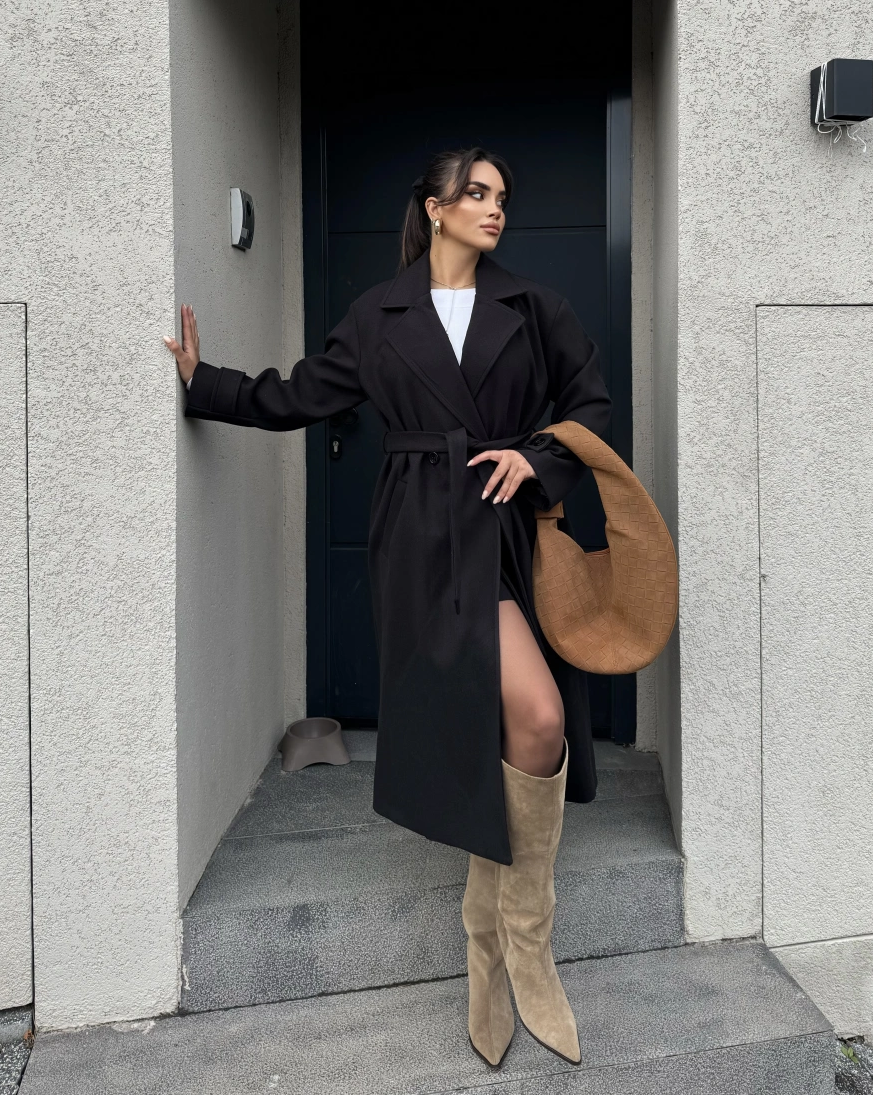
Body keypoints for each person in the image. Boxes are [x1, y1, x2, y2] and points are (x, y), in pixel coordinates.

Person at [164, 148, 611, 1067]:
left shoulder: (535, 308)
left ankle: (510, 933)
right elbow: (298, 394)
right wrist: (205, 384)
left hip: (505, 532)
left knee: (536, 718)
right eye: (477, 193)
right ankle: (496, 943)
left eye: (502, 196)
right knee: (506, 716)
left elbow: (591, 406)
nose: (494, 208)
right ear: (435, 207)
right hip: (419, 537)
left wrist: (536, 458)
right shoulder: (379, 315)